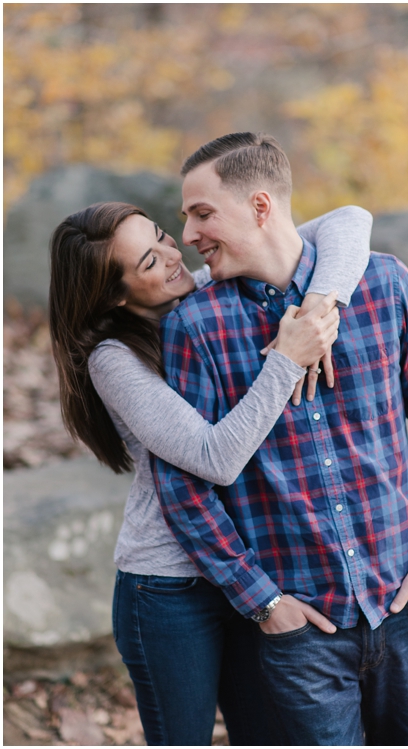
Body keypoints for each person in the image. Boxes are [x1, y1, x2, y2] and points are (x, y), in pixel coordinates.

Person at [150, 132, 408, 746]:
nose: (189, 236)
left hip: (406, 605)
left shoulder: (384, 285)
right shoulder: (196, 325)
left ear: (261, 206)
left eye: (202, 213)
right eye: (185, 218)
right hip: (303, 629)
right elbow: (183, 485)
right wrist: (265, 604)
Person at [49, 199, 372, 745]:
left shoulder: (198, 286)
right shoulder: (112, 358)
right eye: (148, 262)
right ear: (114, 294)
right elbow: (215, 457)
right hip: (170, 590)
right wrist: (288, 358)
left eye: (161, 238)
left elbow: (350, 221)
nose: (173, 256)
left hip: (245, 571)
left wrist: (319, 302)